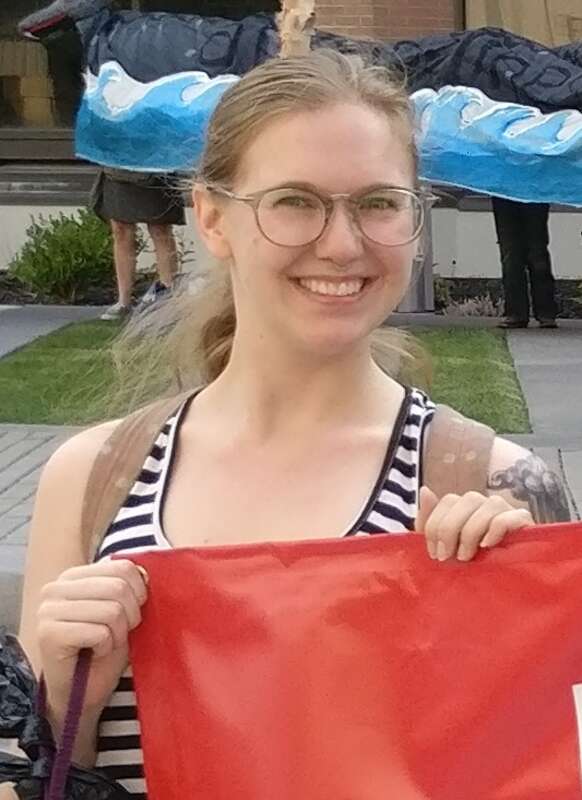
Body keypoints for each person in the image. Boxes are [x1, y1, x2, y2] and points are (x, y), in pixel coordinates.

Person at [17, 52, 569, 798]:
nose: (342, 244)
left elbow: (522, 773)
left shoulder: (492, 484)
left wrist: (494, 612)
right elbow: (38, 780)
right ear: (212, 218)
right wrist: (65, 698)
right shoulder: (95, 478)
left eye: (378, 202)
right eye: (295, 202)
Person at [90, 168, 186, 321]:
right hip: (118, 164)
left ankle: (168, 298)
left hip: (154, 164)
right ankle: (124, 302)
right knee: (120, 229)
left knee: (160, 228)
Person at [492, 196, 559, 329]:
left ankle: (544, 314)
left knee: (537, 254)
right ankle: (517, 314)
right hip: (506, 194)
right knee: (511, 257)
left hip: (532, 193)